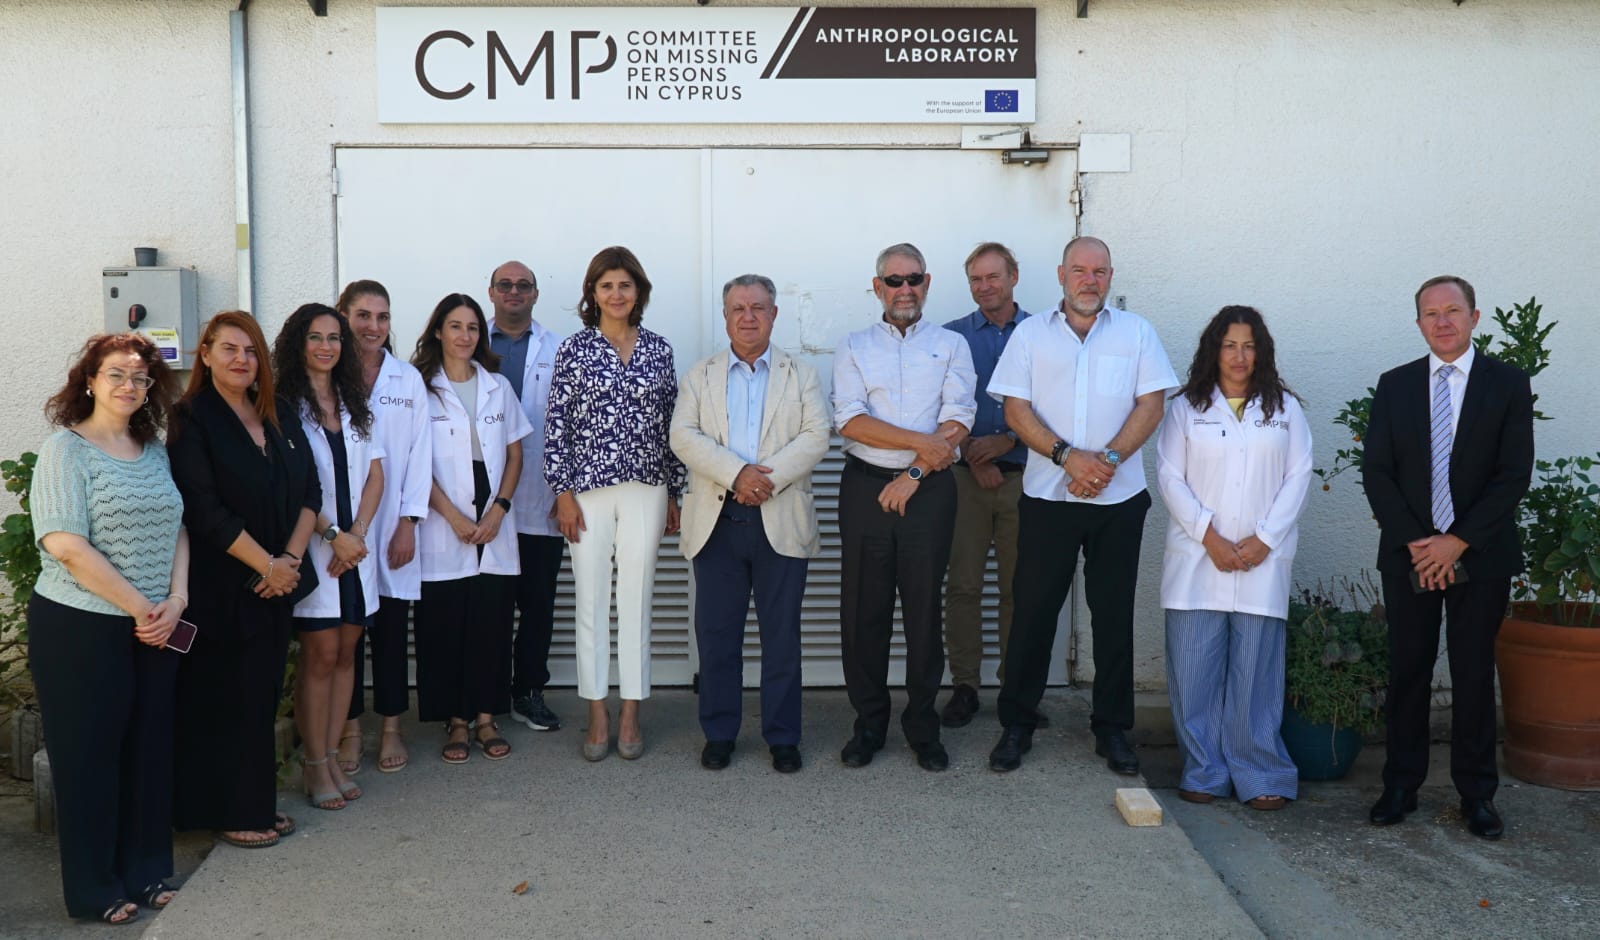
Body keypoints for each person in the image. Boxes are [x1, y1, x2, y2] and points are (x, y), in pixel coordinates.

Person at [986, 236, 1178, 775]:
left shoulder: (1136, 332)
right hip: (1047, 498)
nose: (1089, 280)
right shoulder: (1030, 335)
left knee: (1113, 616)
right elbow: (1016, 409)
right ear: (1061, 274)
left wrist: (1106, 462)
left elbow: (1151, 404)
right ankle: (1017, 724)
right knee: (1032, 614)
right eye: (1079, 270)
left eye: (1099, 271)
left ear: (1110, 276)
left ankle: (1113, 730)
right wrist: (1069, 458)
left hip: (1118, 500)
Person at [1363, 275, 1534, 840]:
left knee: (1473, 672)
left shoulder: (1507, 384)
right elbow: (1377, 471)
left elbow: (1513, 474)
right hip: (1409, 554)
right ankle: (1400, 784)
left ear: (1474, 317)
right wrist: (1420, 542)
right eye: (1431, 313)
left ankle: (1477, 794)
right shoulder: (1395, 385)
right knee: (1408, 670)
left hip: (1480, 555)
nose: (1442, 321)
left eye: (1452, 310)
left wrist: (1456, 541)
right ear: (1418, 323)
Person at [28, 333, 186, 925]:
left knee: (148, 752)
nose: (129, 385)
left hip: (156, 626)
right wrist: (142, 607)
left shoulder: (153, 450)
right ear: (90, 380)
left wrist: (177, 599)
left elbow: (179, 526)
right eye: (117, 373)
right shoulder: (65, 451)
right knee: (89, 761)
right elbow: (66, 545)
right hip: (81, 627)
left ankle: (147, 871)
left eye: (141, 378)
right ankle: (95, 889)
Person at [169, 311, 320, 848]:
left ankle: (254, 804)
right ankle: (228, 811)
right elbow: (203, 509)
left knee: (259, 698)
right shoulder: (191, 418)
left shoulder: (276, 412)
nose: (241, 359)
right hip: (222, 586)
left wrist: (289, 561)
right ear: (206, 354)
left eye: (251, 350)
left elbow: (311, 491)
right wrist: (266, 565)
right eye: (229, 349)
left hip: (276, 584)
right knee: (222, 700)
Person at [670, 274, 830, 773]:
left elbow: (817, 435)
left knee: (781, 637)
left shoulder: (800, 375)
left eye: (758, 307)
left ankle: (783, 737)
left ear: (774, 314)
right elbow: (683, 435)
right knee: (717, 636)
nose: (748, 317)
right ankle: (719, 733)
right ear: (725, 316)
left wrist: (764, 481)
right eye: (738, 308)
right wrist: (737, 474)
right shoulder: (700, 375)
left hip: (779, 518)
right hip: (717, 520)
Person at [1156, 306, 1312, 809]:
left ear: (1261, 352)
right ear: (1213, 351)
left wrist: (1264, 539)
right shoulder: (1186, 408)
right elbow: (1169, 477)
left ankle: (1260, 772)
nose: (1239, 356)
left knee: (1256, 675)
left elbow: (1298, 477)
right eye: (1229, 345)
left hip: (1262, 561)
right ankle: (1204, 771)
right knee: (1194, 672)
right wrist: (1210, 538)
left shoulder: (1285, 409)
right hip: (1198, 559)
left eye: (1248, 346)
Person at [831, 242, 976, 773]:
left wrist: (913, 473)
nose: (905, 289)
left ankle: (922, 727)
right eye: (894, 281)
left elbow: (960, 418)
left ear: (927, 283)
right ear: (878, 288)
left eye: (914, 279)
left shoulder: (952, 345)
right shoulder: (853, 346)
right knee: (863, 613)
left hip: (929, 491)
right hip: (865, 489)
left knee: (922, 611)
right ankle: (869, 725)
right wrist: (924, 444)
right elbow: (851, 421)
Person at [545, 246, 684, 762]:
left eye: (625, 285)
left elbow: (673, 425)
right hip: (587, 492)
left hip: (647, 487)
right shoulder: (574, 350)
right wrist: (562, 493)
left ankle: (631, 710)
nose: (617, 294)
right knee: (590, 601)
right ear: (593, 293)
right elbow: (556, 425)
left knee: (636, 600)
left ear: (638, 291)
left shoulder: (659, 350)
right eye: (607, 286)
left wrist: (675, 491)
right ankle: (596, 711)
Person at [411, 293, 532, 764]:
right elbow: (416, 465)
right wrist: (453, 516)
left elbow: (516, 454)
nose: (465, 336)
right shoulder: (421, 387)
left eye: (473, 328)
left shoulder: (498, 386)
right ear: (438, 332)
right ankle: (456, 720)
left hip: (494, 509)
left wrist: (499, 509)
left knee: (491, 622)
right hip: (443, 512)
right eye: (456, 326)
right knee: (446, 623)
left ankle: (485, 717)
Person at [274, 304, 384, 809]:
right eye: (315, 337)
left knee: (346, 654)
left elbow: (376, 474)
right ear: (299, 344)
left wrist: (356, 536)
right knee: (319, 657)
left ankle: (335, 755)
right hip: (318, 549)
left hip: (355, 552)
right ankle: (315, 764)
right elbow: (292, 486)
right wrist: (334, 536)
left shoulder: (354, 402)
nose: (326, 346)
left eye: (334, 338)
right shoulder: (282, 407)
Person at [335, 280, 431, 774]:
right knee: (347, 633)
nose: (374, 326)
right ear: (343, 316)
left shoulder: (406, 379)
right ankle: (350, 729)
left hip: (392, 522)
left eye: (383, 317)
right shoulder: (328, 375)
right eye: (364, 315)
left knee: (391, 633)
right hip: (341, 529)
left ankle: (392, 727)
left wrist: (410, 522)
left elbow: (420, 454)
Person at [939, 242, 1032, 728]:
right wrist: (973, 456)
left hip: (1026, 479)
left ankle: (1016, 690)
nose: (985, 286)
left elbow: (1056, 402)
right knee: (963, 587)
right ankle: (965, 687)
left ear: (1013, 277)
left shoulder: (1040, 333)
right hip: (964, 480)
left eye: (993, 276)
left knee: (1021, 588)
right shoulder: (951, 337)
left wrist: (1008, 440)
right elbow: (935, 406)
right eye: (976, 279)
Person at [485, 260, 565, 733]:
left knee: (538, 605)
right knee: (489, 605)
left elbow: (574, 425)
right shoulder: (470, 342)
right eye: (505, 285)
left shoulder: (558, 348)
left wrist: (567, 490)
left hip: (540, 494)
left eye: (523, 285)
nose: (513, 292)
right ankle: (487, 697)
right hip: (480, 499)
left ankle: (529, 692)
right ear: (491, 292)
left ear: (535, 294)